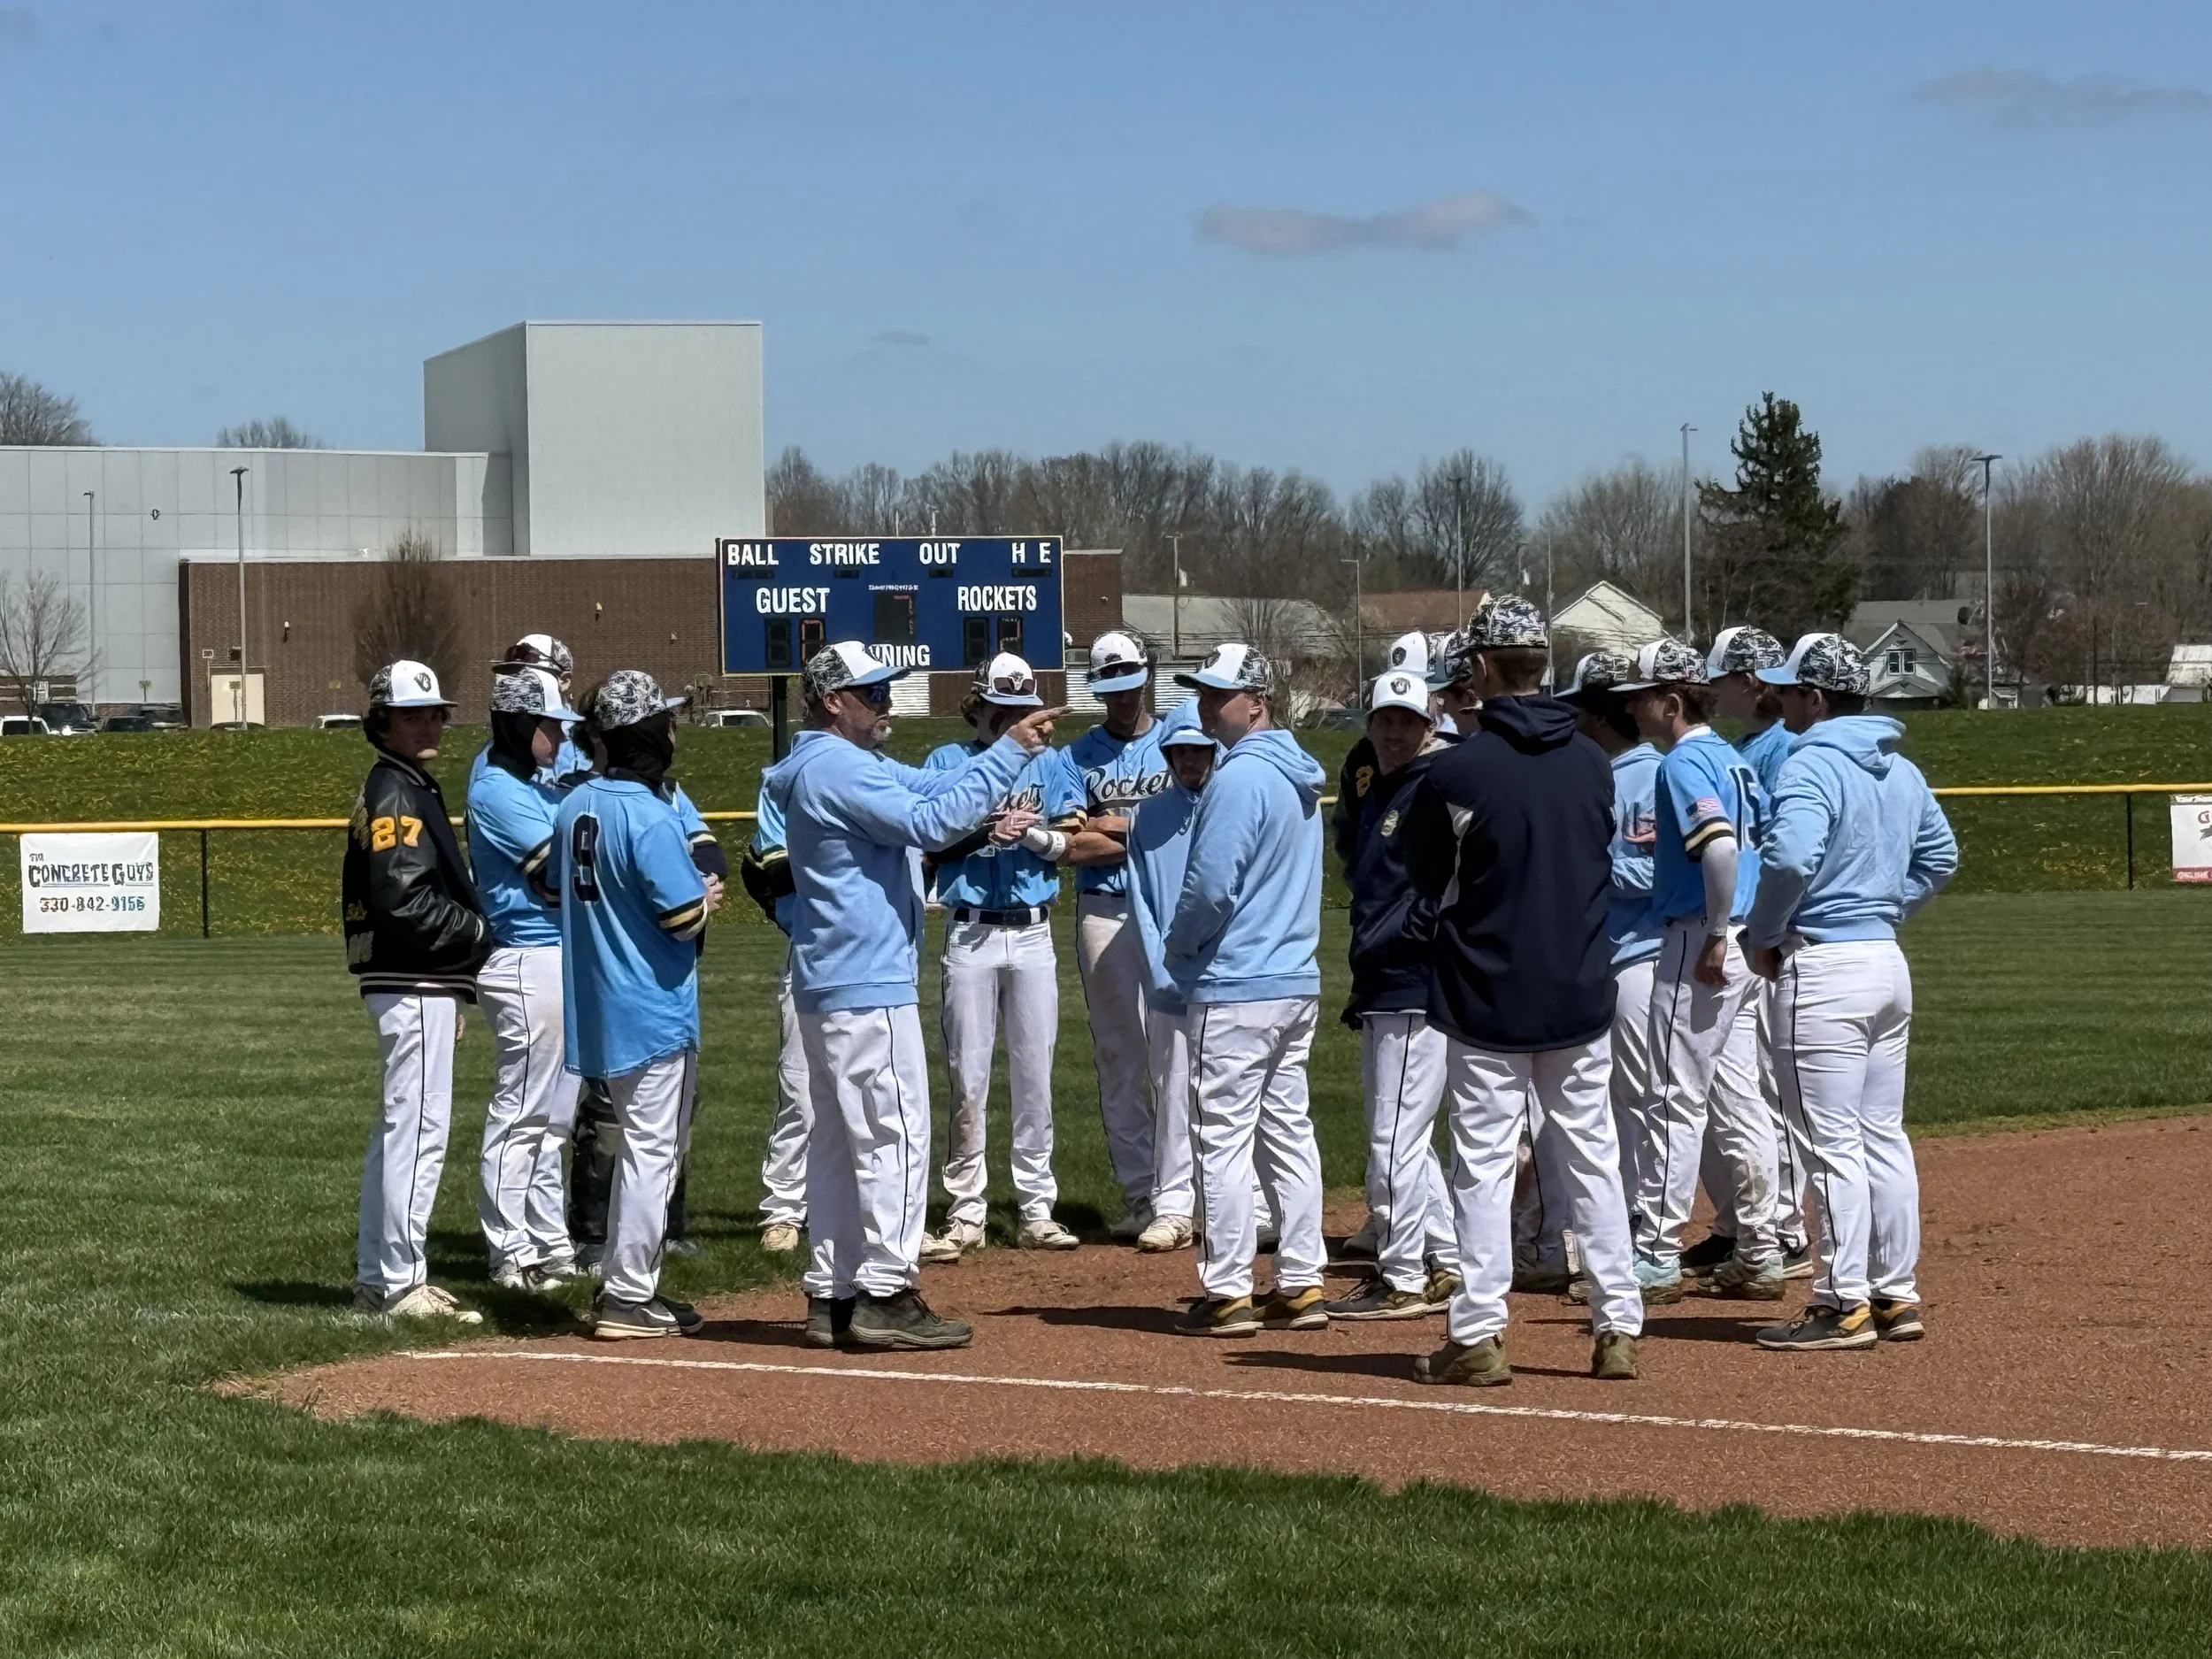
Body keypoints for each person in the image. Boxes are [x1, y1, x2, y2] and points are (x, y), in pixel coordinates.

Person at [763, 641, 1061, 1352]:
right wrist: (1012, 751)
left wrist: (993, 760)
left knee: (837, 1144)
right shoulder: (836, 764)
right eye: (872, 694)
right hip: (865, 978)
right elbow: (933, 825)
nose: (886, 703)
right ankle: (887, 1291)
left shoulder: (834, 761)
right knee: (894, 1136)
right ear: (833, 701)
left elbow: (928, 796)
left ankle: (832, 1292)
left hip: (833, 976)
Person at [1401, 597, 1642, 1386]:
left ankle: (1477, 1333)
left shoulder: (1459, 768)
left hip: (1487, 993)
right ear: (1541, 662)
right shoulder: (1591, 760)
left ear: (1478, 666)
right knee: (1593, 1157)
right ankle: (1618, 1328)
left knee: (1483, 1165)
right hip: (1577, 985)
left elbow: (1426, 877)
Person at [1743, 634, 1957, 1351]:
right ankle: (1896, 1293)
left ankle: (1842, 1302)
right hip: (1885, 960)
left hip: (1823, 965)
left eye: (1791, 690)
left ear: (1816, 698)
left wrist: (1765, 932)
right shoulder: (1898, 766)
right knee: (1881, 1136)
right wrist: (1885, 905)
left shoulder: (1810, 762)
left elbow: (1792, 855)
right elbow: (1941, 855)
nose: (1780, 699)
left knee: (1827, 1142)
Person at [1162, 643, 1331, 1339]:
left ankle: (1228, 1288)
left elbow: (1208, 887)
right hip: (1293, 975)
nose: (1206, 705)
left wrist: (1179, 945)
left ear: (1256, 700)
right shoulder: (1296, 774)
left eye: (1219, 694)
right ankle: (1300, 1281)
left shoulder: (1238, 778)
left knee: (1222, 1140)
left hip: (1236, 982)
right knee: (1288, 1133)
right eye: (1203, 692)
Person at [547, 671, 719, 1340]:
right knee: (654, 1152)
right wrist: (705, 901)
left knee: (639, 1148)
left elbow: (557, 889)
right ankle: (627, 1295)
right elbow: (681, 916)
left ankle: (624, 1282)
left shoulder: (574, 801)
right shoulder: (649, 812)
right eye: (665, 719)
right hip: (651, 1003)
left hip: (598, 999)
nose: (672, 728)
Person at [1616, 638, 1781, 1303]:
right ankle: (1763, 1248)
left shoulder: (1684, 762)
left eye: (1642, 695)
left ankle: (1654, 1252)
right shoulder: (1733, 761)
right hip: (1739, 939)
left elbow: (1717, 848)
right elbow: (1756, 842)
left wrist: (1715, 931)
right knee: (1738, 1096)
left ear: (1673, 701)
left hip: (1701, 941)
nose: (1632, 706)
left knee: (1671, 1094)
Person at [918, 654, 1087, 1260]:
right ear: (979, 706)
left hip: (1034, 927)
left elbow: (1074, 837)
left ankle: (1036, 1206)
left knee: (1034, 1073)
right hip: (970, 930)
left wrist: (1037, 835)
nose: (1012, 718)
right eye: (1001, 708)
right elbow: (929, 839)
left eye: (1022, 708)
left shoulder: (1052, 763)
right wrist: (982, 829)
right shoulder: (948, 761)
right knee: (967, 1075)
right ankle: (966, 1210)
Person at [342, 660, 490, 1324]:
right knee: (419, 1131)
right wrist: (478, 934)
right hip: (412, 973)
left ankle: (379, 1276)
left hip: (411, 976)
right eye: (411, 713)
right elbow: (404, 899)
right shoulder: (398, 791)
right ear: (381, 721)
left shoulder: (403, 783)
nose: (428, 721)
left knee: (400, 1129)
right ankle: (402, 1282)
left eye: (434, 710)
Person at [1324, 669, 1463, 1322]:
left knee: (1394, 1137)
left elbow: (1457, 877)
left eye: (1408, 720)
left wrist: (1410, 934)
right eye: (1385, 719)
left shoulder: (1433, 786)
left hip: (1414, 981)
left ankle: (1403, 1274)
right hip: (1384, 981)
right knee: (1404, 1135)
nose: (1395, 732)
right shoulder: (1382, 787)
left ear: (1429, 725)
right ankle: (1446, 1258)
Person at [1060, 632, 1201, 1248]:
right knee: (1118, 1055)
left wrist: (1112, 823)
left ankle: (1182, 1193)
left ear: (1148, 674)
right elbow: (1070, 842)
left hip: (1168, 909)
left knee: (1174, 1051)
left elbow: (1189, 819)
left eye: (1130, 681)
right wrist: (1140, 827)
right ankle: (1142, 1192)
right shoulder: (1076, 756)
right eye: (1109, 686)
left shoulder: (1176, 738)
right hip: (1105, 907)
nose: (1122, 697)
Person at [1687, 625, 1814, 1282]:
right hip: (1748, 926)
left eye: (1721, 679)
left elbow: (1791, 849)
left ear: (1747, 681)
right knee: (1728, 1084)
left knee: (1765, 1082)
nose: (1715, 691)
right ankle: (1741, 1219)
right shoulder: (1750, 747)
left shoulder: (1784, 748)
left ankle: (1787, 1228)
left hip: (1770, 933)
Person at [465, 664, 585, 1293]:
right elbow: (557, 874)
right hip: (524, 956)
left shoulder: (532, 785)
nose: (562, 740)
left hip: (554, 956)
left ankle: (547, 1242)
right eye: (550, 726)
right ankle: (509, 1250)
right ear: (518, 723)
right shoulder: (497, 789)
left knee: (552, 1116)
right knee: (520, 1113)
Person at [1555, 649, 1662, 1303]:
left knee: (1646, 1104)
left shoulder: (1644, 776)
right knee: (1621, 1105)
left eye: (1576, 709)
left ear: (1600, 715)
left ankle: (1649, 1234)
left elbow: (1654, 875)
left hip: (1644, 956)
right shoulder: (1607, 773)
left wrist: (1586, 868)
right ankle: (1627, 1229)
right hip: (1616, 958)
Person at [1119, 725, 1224, 1254]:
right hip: (1168, 979)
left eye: (1197, 749)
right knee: (1173, 1089)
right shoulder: (1148, 815)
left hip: (1226, 977)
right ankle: (1173, 1205)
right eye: (1178, 750)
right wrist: (1160, 967)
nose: (1188, 759)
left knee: (1232, 1094)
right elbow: (1139, 896)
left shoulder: (1231, 802)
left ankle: (1239, 1202)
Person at [741, 771, 810, 1256]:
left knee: (877, 1097)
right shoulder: (785, 783)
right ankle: (784, 1209)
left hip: (879, 958)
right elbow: (765, 867)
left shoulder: (887, 779)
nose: (883, 708)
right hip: (812, 952)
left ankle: (868, 1214)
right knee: (801, 1092)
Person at [495, 634, 589, 785]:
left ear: (564, 680)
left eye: (534, 673)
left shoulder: (581, 741)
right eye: (513, 672)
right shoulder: (496, 748)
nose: (519, 682)